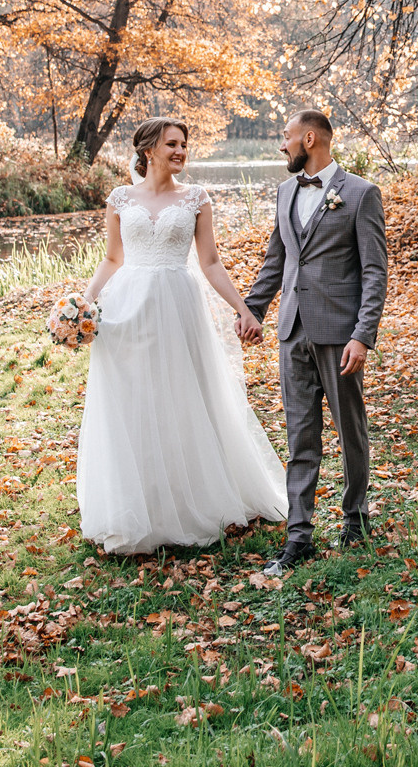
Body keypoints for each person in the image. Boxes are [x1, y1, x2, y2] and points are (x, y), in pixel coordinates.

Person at [73, 118, 286, 555]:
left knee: (180, 397)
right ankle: (140, 506)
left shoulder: (195, 199)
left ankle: (190, 501)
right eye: (172, 144)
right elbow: (112, 259)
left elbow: (210, 263)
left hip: (177, 305)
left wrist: (243, 308)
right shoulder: (119, 199)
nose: (181, 151)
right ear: (149, 149)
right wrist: (83, 303)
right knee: (133, 403)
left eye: (184, 145)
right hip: (126, 310)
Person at [243, 109, 386, 575]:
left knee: (351, 432)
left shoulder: (361, 194)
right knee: (300, 434)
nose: (281, 145)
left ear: (309, 139)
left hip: (340, 334)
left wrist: (362, 335)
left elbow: (373, 272)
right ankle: (299, 537)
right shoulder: (286, 191)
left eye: (286, 137)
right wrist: (254, 309)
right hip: (292, 333)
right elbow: (276, 259)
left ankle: (355, 519)